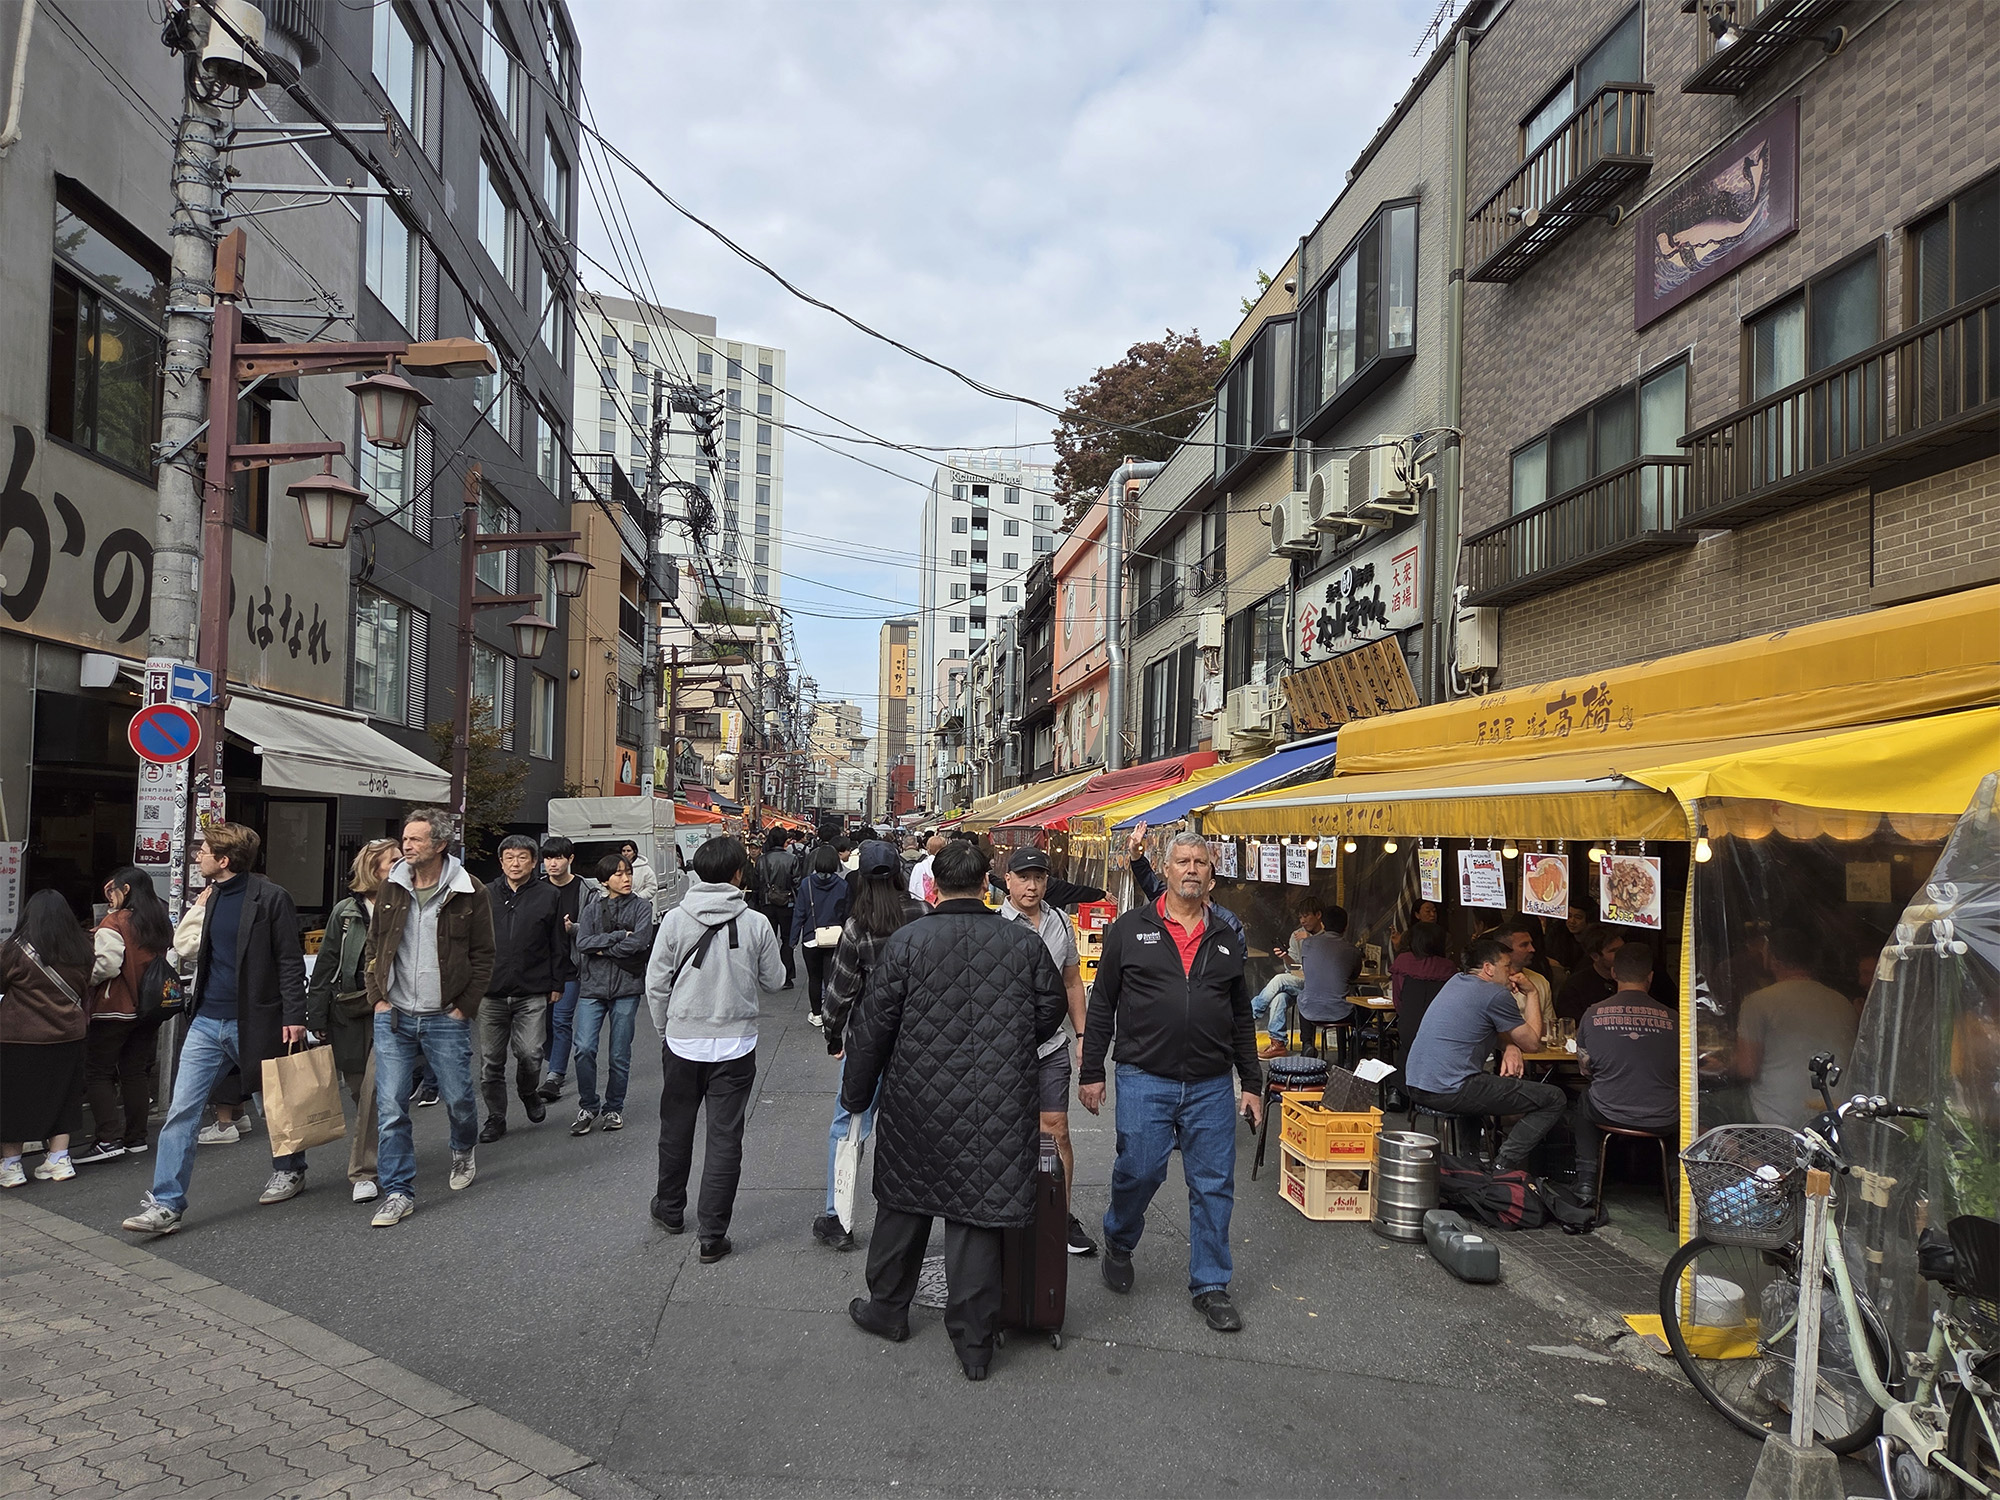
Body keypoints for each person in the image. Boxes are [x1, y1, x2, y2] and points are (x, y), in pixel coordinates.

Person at [841, 839, 1066, 1380]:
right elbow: (1050, 1009)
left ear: (934, 886)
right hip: (998, 1101)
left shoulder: (907, 941)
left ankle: (887, 1310)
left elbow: (873, 1027)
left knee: (903, 1203)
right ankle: (974, 1345)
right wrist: (1007, 1043)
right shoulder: (1022, 942)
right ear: (988, 884)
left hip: (915, 1097)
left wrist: (856, 1095)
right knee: (977, 1216)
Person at [1080, 831, 1264, 1335]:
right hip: (1144, 1076)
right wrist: (1092, 1071)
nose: (1191, 869)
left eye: (1200, 862)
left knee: (1214, 1185)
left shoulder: (1227, 935)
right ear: (1165, 869)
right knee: (1139, 1171)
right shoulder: (1129, 929)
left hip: (1211, 1083)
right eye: (1182, 861)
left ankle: (1211, 1284)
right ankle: (1119, 1238)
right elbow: (1103, 1004)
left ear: (1212, 874)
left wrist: (1251, 1082)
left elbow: (1240, 1015)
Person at [121, 824, 310, 1235]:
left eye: (204, 850)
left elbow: (289, 960)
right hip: (207, 1020)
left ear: (224, 860)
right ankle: (166, 1204)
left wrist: (295, 1016)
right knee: (182, 1111)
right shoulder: (212, 896)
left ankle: (290, 1168)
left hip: (254, 1019)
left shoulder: (270, 898)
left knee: (273, 1104)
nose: (197, 856)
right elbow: (190, 948)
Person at [647, 836, 786, 1262]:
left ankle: (670, 1208)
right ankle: (712, 1234)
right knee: (725, 1136)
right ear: (738, 874)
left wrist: (665, 1030)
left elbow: (656, 984)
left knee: (676, 1127)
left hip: (682, 1040)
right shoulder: (756, 922)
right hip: (735, 1043)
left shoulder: (675, 919)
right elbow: (775, 981)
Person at [361, 809, 494, 1228]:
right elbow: (374, 946)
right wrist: (378, 998)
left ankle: (462, 1148)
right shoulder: (392, 885)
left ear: (439, 845)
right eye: (405, 838)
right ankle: (398, 1192)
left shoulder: (468, 890)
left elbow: (484, 955)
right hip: (394, 1015)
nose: (406, 845)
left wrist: (464, 1006)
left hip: (445, 1015)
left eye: (416, 839)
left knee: (458, 1098)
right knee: (391, 1106)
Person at [813, 842, 928, 1251]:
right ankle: (910, 1221)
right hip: (919, 1043)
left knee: (849, 1126)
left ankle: (838, 1218)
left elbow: (840, 991)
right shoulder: (923, 914)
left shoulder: (858, 925)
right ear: (899, 872)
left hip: (869, 1041)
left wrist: (833, 1036)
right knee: (913, 1130)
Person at [995, 846, 1097, 1258]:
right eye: (1024, 877)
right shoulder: (995, 926)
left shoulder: (1058, 922)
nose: (1032, 886)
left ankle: (1059, 1216)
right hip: (1004, 1047)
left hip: (1052, 1044)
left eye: (1039, 877)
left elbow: (1072, 981)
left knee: (1056, 1129)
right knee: (1006, 1133)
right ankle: (1007, 1215)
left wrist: (1083, 1036)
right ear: (1008, 880)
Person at [1402, 935, 1566, 1171]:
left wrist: (1510, 1045)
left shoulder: (1456, 981)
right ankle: (1502, 1164)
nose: (1512, 972)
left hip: (1417, 1084)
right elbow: (1531, 1043)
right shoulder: (1495, 994)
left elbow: (1488, 1027)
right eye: (1507, 966)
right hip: (1450, 1088)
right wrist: (1532, 994)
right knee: (1554, 1098)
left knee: (1478, 1085)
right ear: (1488, 968)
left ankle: (1471, 1165)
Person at [304, 839, 399, 1205]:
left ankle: (364, 1172)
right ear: (372, 868)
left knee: (375, 1090)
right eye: (392, 861)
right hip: (349, 1008)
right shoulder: (345, 912)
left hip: (392, 1009)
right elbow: (326, 962)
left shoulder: (407, 903)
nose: (400, 865)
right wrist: (316, 1014)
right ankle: (387, 1144)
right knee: (360, 1091)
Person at [74, 866, 175, 1163]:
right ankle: (136, 1137)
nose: (110, 898)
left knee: (98, 1072)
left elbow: (106, 965)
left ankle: (108, 1138)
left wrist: (84, 980)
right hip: (149, 1008)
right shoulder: (158, 921)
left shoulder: (115, 921)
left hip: (114, 1008)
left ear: (126, 889)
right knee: (134, 1072)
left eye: (112, 891)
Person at [1, 890, 95, 1187]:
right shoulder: (83, 949)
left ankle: (11, 1166)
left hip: (20, 1037)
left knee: (13, 1099)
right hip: (69, 1034)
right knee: (64, 1096)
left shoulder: (13, 950)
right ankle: (59, 1159)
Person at [1572, 942, 1677, 1205]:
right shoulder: (1675, 1019)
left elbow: (1585, 1068)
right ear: (1650, 977)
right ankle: (1677, 1187)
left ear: (1614, 973)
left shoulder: (1592, 1014)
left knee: (1584, 1098)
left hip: (1608, 1111)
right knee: (1683, 1107)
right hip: (1664, 1116)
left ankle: (1586, 1181)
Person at [478, 834, 563, 1142]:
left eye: (522, 857)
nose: (515, 863)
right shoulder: (485, 894)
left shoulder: (548, 895)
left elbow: (557, 942)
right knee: (491, 1061)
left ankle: (528, 1091)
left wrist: (557, 982)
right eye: (509, 858)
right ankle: (496, 1116)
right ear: (501, 862)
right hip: (491, 991)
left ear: (534, 862)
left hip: (532, 988)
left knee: (530, 1052)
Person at [1735, 927, 1860, 1128]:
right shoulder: (1842, 1002)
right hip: (1834, 1116)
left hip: (1776, 1119)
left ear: (1773, 959)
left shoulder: (1758, 1002)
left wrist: (1724, 1062)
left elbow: (1747, 1068)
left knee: (1708, 1105)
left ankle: (1740, 1150)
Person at [569, 856, 657, 1135]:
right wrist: (619, 936)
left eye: (628, 873)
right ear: (604, 881)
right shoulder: (592, 909)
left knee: (619, 1053)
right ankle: (588, 1105)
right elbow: (583, 942)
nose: (626, 878)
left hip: (626, 987)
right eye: (618, 874)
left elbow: (640, 942)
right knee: (584, 1048)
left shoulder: (642, 907)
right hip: (592, 987)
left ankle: (613, 1108)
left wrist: (602, 949)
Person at [537, 836, 585, 1105]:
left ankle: (554, 1075)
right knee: (542, 1023)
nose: (552, 863)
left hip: (570, 966)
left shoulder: (584, 889)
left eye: (558, 858)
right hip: (539, 969)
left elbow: (594, 926)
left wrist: (573, 929)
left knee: (561, 1020)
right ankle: (554, 1056)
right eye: (548, 858)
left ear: (570, 859)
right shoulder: (537, 888)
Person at [792, 845, 850, 1030]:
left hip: (811, 937)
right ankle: (829, 1017)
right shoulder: (842, 885)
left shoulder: (806, 884)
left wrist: (793, 939)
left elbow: (799, 913)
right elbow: (846, 914)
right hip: (834, 938)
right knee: (830, 980)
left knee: (814, 978)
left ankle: (816, 1014)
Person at [1295, 905, 1363, 1059]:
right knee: (1363, 1011)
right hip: (1340, 1011)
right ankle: (1353, 1051)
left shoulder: (1307, 943)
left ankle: (1307, 1044)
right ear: (1346, 926)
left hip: (1309, 1010)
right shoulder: (1352, 950)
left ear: (1323, 924)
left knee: (1305, 999)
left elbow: (1306, 969)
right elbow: (1354, 976)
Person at [1254, 907, 1321, 1059]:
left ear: (1318, 915)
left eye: (1306, 916)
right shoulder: (1297, 935)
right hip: (1299, 981)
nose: (1303, 921)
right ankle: (1278, 1043)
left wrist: (1310, 939)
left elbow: (1326, 957)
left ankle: (1250, 1014)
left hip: (1317, 983)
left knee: (1280, 979)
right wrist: (1285, 956)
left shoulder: (1326, 935)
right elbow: (1292, 966)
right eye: (1300, 917)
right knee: (1279, 998)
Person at [753, 828, 800, 990]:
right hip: (787, 903)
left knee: (769, 941)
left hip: (766, 903)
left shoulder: (761, 860)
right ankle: (787, 976)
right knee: (787, 940)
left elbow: (756, 883)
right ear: (784, 841)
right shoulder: (792, 859)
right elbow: (797, 882)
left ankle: (770, 975)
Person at [1554, 924, 1624, 1023]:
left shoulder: (1635, 979)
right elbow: (1570, 1026)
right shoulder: (1574, 987)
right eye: (1614, 951)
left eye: (1623, 948)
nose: (1623, 954)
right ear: (1595, 956)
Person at [907, 834, 945, 906]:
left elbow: (913, 889)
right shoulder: (947, 866)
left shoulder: (919, 867)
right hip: (943, 904)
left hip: (923, 906)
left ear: (928, 848)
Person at [619, 840, 658, 905]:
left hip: (638, 905)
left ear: (634, 852)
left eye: (629, 851)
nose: (626, 853)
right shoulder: (616, 867)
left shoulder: (644, 868)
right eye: (623, 851)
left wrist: (638, 897)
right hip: (619, 904)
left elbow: (652, 887)